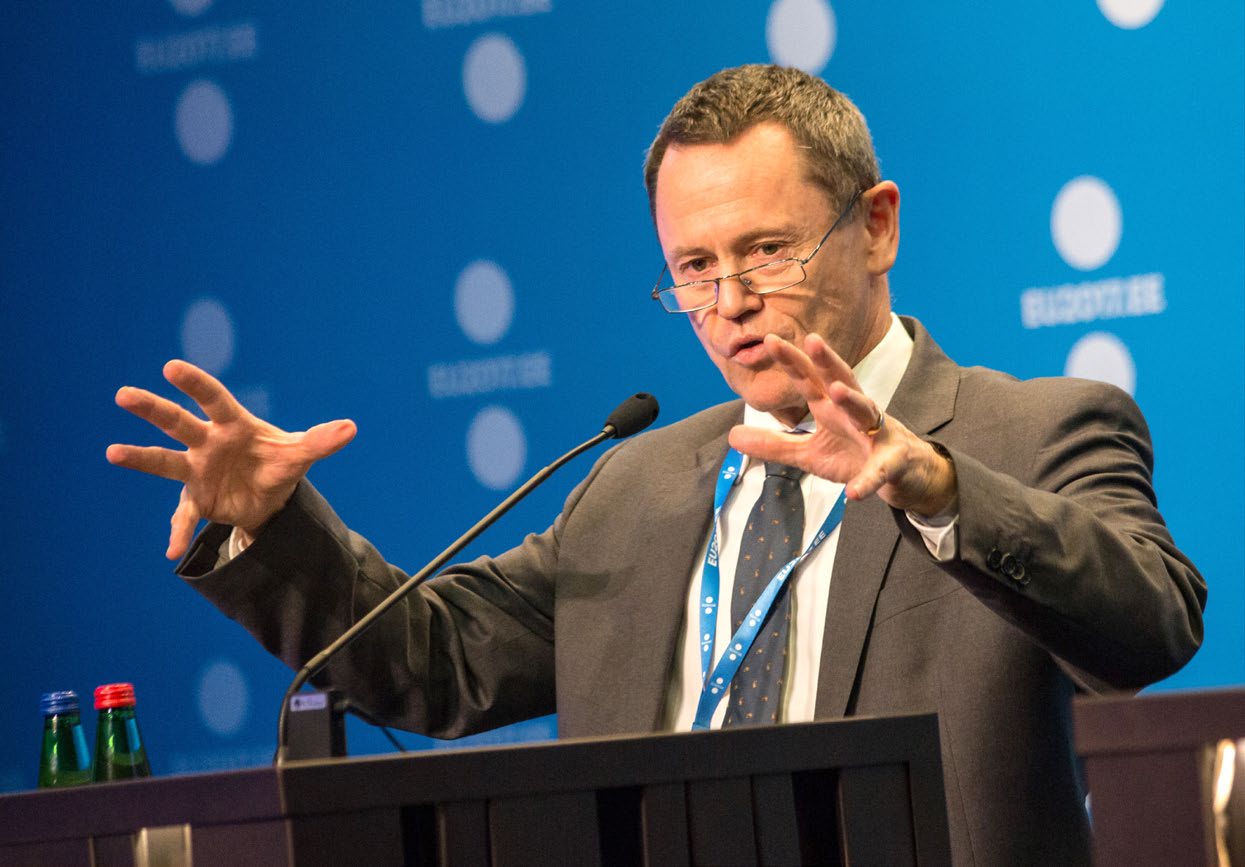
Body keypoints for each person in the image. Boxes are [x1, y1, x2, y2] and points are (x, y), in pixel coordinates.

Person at [107, 64, 1205, 865]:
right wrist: (277, 520)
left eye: (767, 251)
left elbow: (1149, 623)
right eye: (693, 266)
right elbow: (433, 664)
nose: (728, 305)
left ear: (875, 227)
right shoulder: (636, 484)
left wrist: (939, 490)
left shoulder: (1033, 432)